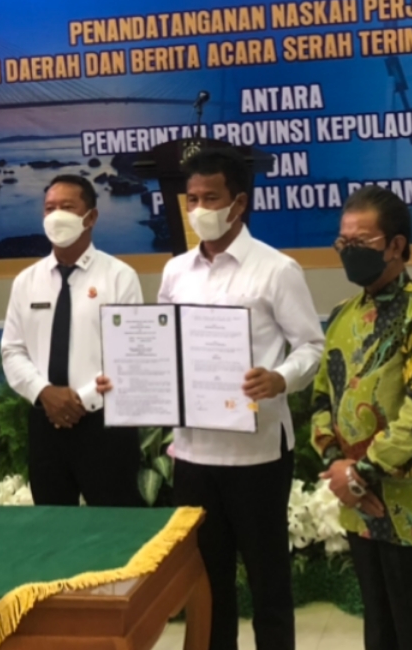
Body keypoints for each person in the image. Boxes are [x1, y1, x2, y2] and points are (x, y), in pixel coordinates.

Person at [98, 148, 323, 650]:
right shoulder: (177, 270)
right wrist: (127, 380)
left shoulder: (276, 269)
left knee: (267, 579)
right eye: (192, 198)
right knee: (206, 582)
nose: (199, 208)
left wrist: (280, 378)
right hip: (194, 453)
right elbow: (161, 345)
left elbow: (311, 346)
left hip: (257, 453)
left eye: (211, 198)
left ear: (238, 203)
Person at [311, 186, 412, 650]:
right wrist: (337, 466)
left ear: (396, 245)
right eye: (343, 242)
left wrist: (359, 474)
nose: (349, 252)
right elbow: (321, 398)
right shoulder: (342, 315)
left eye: (361, 242)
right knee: (380, 630)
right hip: (361, 508)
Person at [1, 174, 144, 507]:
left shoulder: (119, 277)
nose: (56, 216)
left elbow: (130, 354)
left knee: (115, 524)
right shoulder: (27, 281)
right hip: (45, 423)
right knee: (54, 526)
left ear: (90, 217)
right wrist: (44, 392)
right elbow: (12, 350)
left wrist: (81, 400)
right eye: (50, 208)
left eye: (67, 207)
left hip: (105, 424)